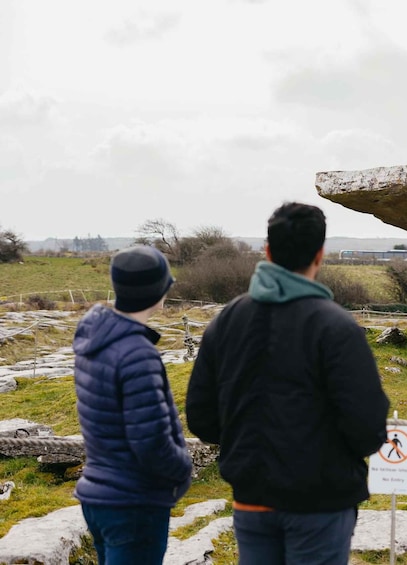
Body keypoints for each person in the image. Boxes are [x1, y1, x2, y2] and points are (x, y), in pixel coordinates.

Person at [186, 201, 390, 564]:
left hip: (251, 498)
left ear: (267, 251)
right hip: (321, 504)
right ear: (320, 255)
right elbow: (368, 429)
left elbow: (202, 418)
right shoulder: (338, 328)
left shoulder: (226, 322)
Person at [73, 245, 193, 564]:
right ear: (159, 291)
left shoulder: (95, 338)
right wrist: (183, 470)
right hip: (134, 502)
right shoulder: (137, 353)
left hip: (99, 496)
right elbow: (151, 441)